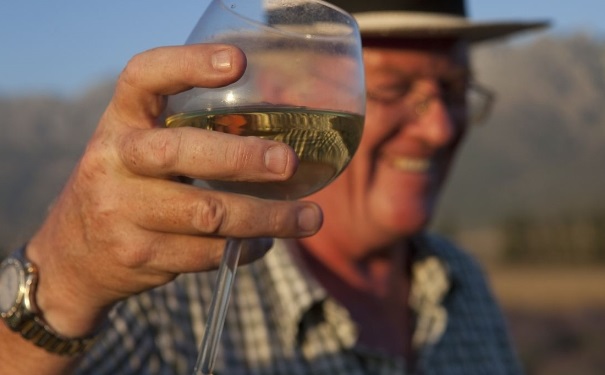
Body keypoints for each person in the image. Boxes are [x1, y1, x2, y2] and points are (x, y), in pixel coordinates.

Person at [0, 0, 547, 374]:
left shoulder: (462, 284)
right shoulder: (159, 297)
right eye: (394, 88)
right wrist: (66, 280)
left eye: (454, 90)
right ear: (283, 92)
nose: (443, 128)